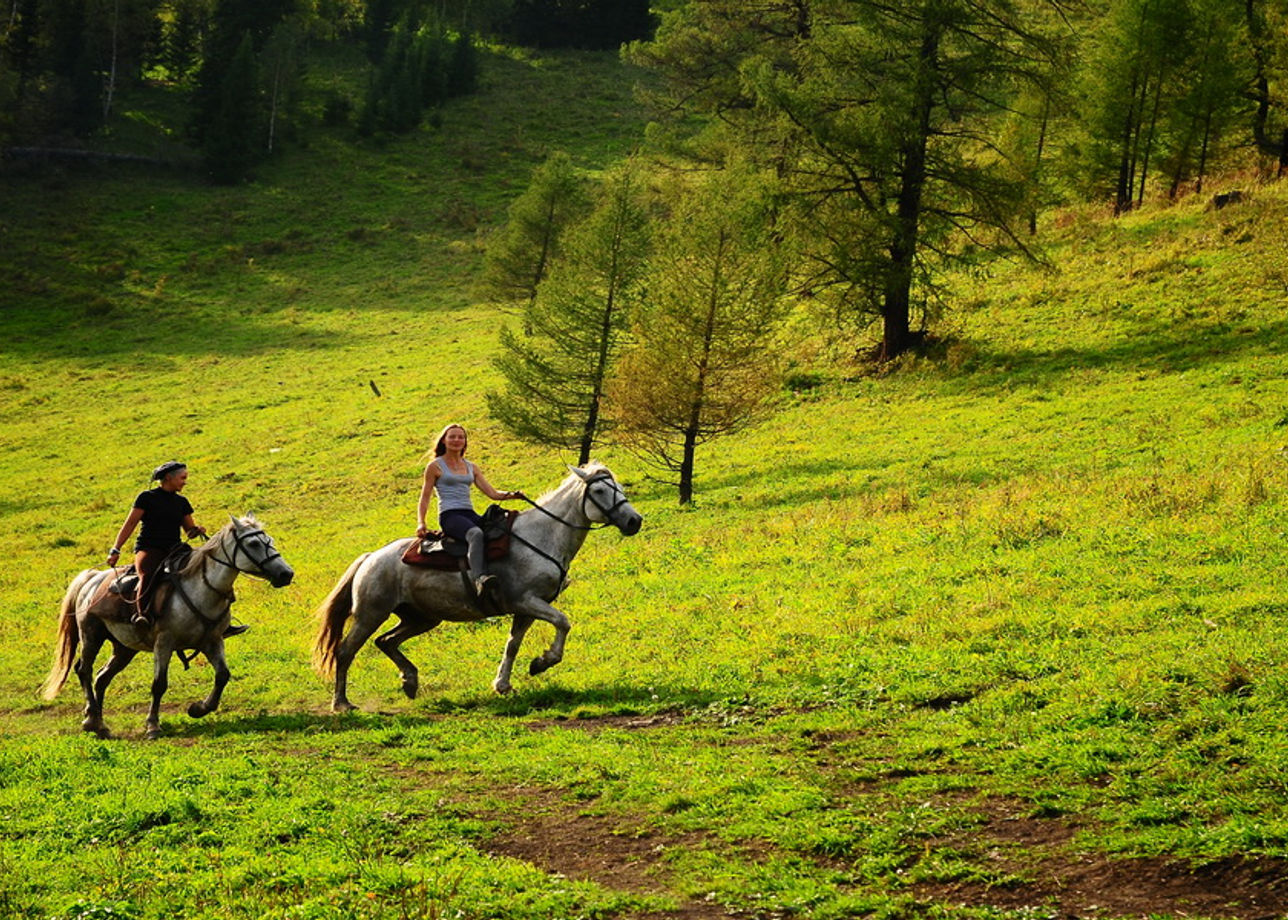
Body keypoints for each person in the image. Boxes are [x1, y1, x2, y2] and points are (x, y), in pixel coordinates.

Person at [106, 461, 246, 636]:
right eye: (183, 478)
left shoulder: (182, 502)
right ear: (168, 478)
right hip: (149, 548)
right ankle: (143, 616)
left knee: (208, 568)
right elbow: (129, 525)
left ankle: (223, 622)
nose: (185, 482)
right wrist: (115, 549)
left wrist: (197, 530)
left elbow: (189, 531)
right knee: (148, 575)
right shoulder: (146, 498)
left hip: (175, 548)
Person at [416, 424, 523, 601]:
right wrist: (421, 522)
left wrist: (513, 495)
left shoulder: (471, 467)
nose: (457, 440)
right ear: (444, 440)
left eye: (461, 437)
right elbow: (425, 497)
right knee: (475, 534)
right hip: (450, 515)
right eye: (452, 437)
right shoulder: (435, 466)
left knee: (502, 529)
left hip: (469, 513)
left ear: (465, 442)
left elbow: (492, 493)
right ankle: (479, 578)